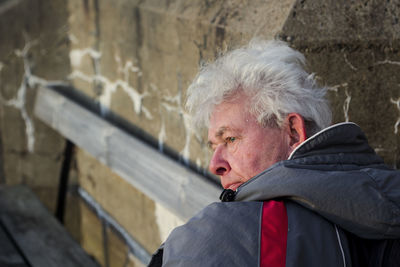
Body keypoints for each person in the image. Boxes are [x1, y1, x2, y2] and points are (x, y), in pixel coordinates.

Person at [148, 40, 400, 267]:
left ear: (292, 132)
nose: (215, 165)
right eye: (214, 146)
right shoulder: (389, 189)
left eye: (230, 139)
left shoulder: (218, 237)